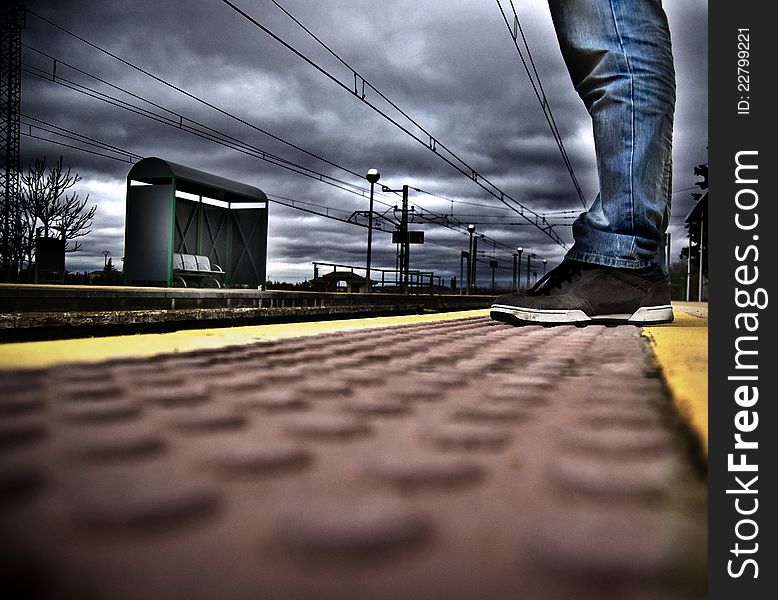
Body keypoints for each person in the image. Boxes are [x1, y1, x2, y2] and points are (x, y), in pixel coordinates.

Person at [491, 0, 676, 325]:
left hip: (626, 256)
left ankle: (622, 258)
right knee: (606, 39)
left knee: (615, 41)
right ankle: (629, 258)